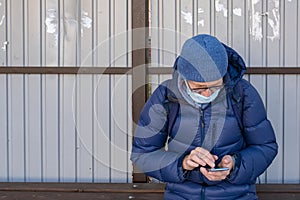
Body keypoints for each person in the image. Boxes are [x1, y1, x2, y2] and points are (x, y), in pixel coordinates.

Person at [131, 34, 278, 200]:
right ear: (185, 78)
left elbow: (265, 147)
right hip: (182, 195)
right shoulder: (166, 96)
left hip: (236, 194)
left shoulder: (242, 94)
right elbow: (142, 154)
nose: (208, 93)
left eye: (216, 86)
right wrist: (183, 164)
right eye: (199, 88)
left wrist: (235, 165)